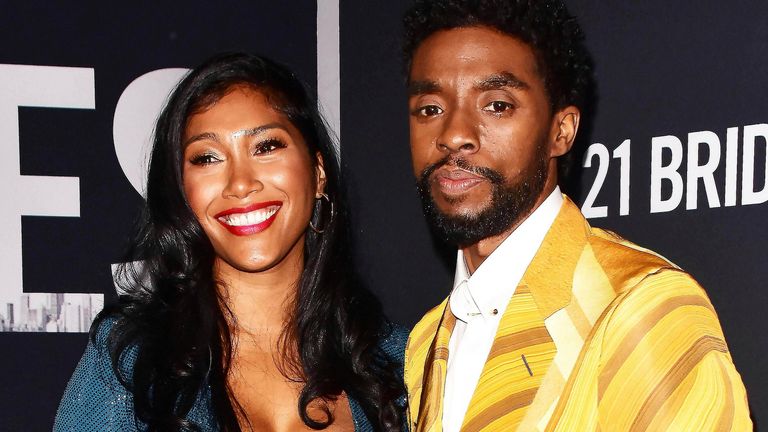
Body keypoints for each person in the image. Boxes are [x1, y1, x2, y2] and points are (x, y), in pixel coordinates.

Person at [400, 1, 751, 431]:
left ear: (560, 131)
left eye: (496, 105)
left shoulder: (639, 307)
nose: (454, 134)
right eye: (430, 109)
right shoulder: (426, 341)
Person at [55, 52, 407, 432]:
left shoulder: (401, 365)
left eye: (267, 146)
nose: (241, 183)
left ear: (318, 173)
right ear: (181, 192)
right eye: (207, 157)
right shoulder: (131, 362)